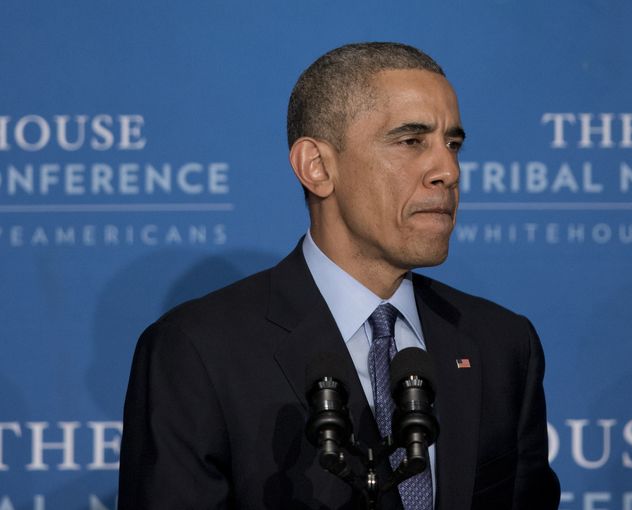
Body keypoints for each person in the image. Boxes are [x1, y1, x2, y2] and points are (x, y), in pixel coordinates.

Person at [118, 42, 560, 510]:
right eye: (411, 141)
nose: (448, 171)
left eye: (453, 145)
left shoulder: (501, 344)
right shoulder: (198, 352)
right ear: (317, 167)